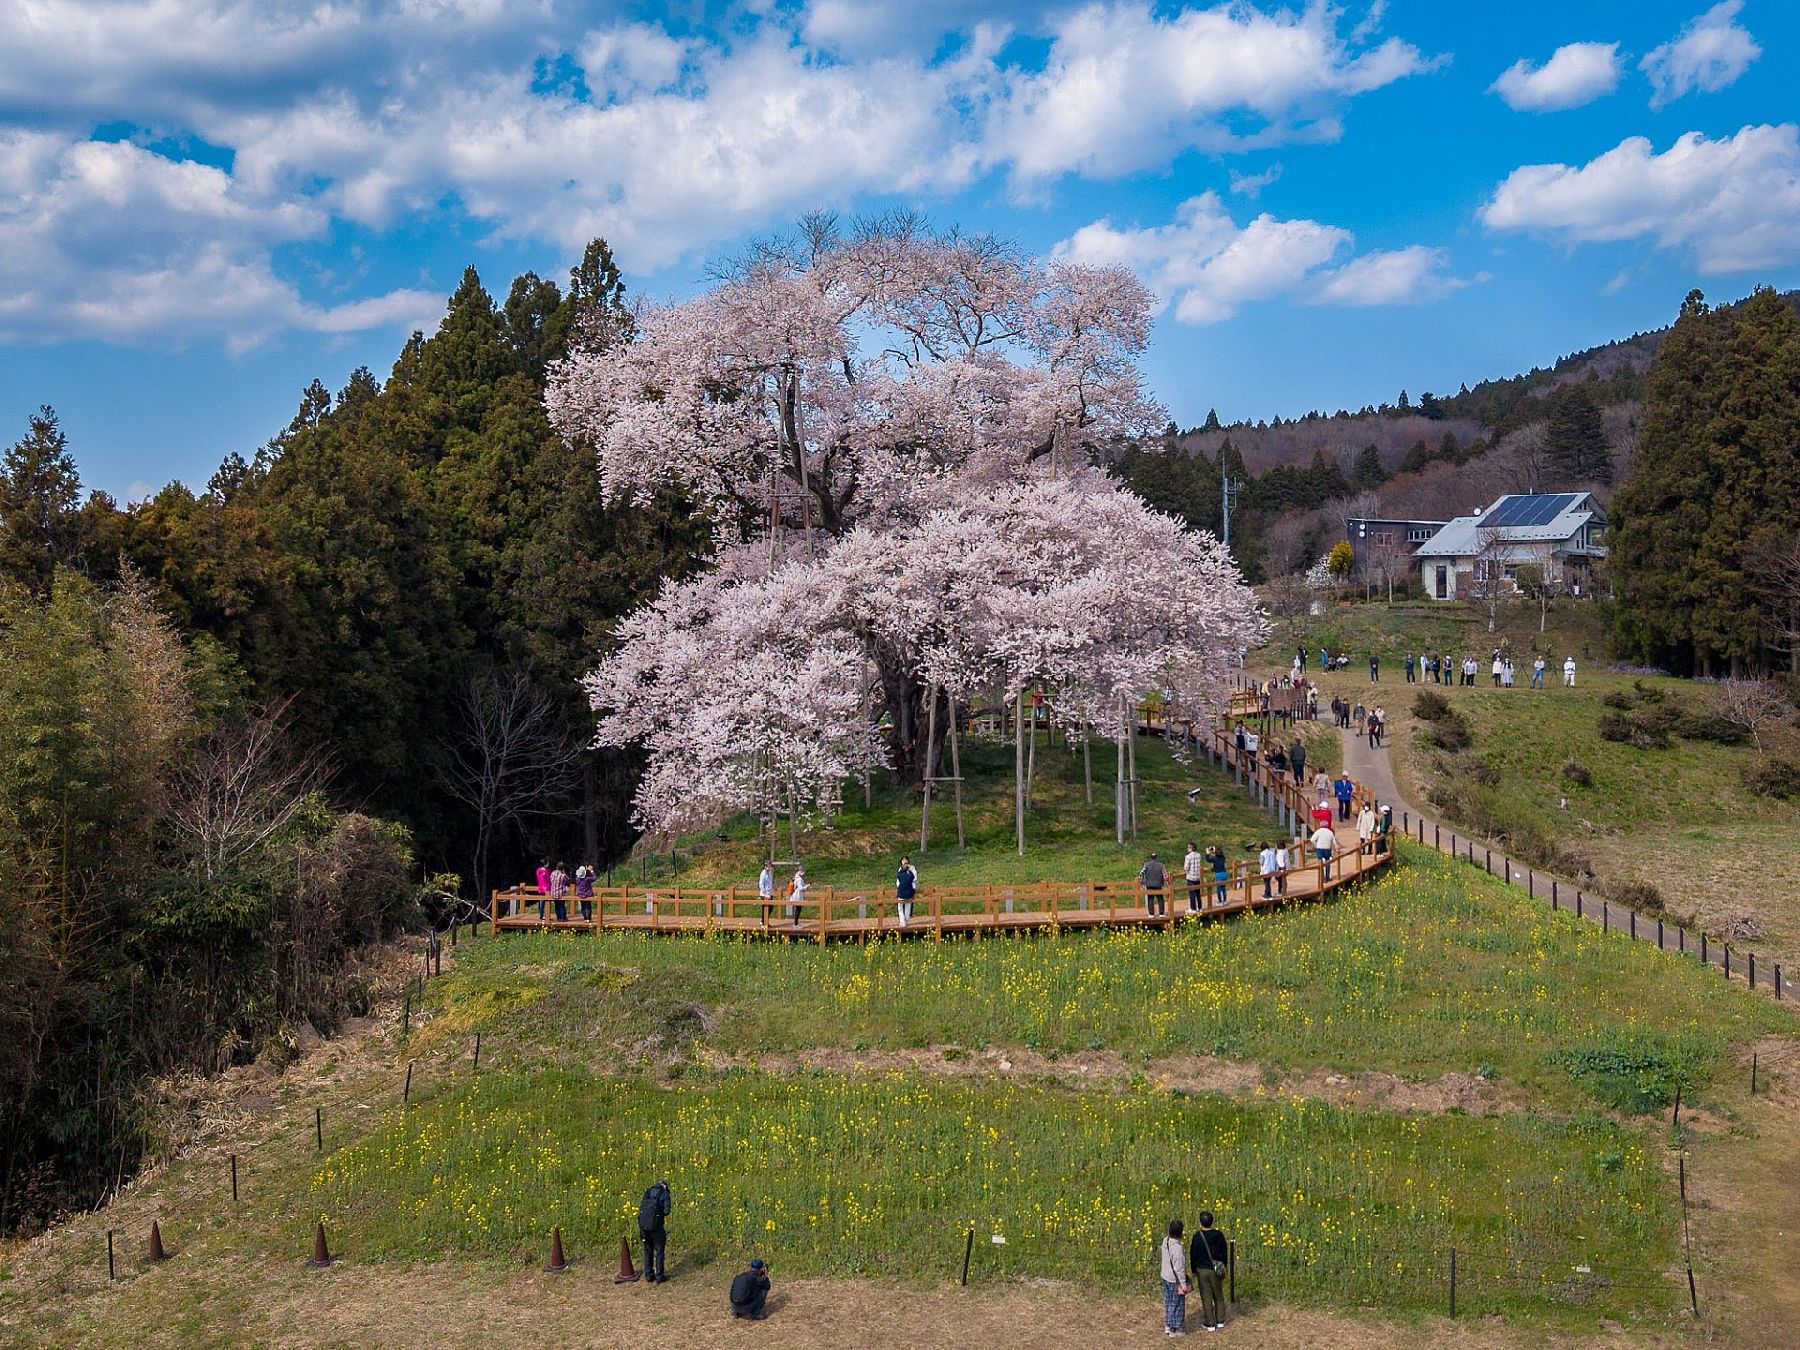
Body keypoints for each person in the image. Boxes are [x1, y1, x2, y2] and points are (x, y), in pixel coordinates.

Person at [1190, 1212, 1229, 1332]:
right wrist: (1224, 1266)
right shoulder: (1219, 1235)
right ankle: (1221, 1320)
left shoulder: (1197, 1236)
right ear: (1212, 1221)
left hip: (1202, 1270)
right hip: (1216, 1269)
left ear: (1200, 1222)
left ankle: (1210, 1323)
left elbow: (1193, 1255)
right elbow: (1224, 1252)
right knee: (1218, 1294)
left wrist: (1193, 1269)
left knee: (1206, 1296)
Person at [1161, 1218, 1191, 1336]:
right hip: (1175, 1280)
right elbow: (1180, 1268)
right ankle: (1176, 1328)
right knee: (1177, 1304)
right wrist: (1183, 1284)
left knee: (1169, 1302)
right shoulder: (1177, 1248)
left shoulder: (1166, 1241)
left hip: (1166, 1276)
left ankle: (1168, 1325)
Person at [638, 1178, 672, 1284]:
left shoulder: (647, 1192)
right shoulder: (664, 1193)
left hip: (644, 1227)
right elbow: (667, 1211)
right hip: (657, 1228)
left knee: (648, 1250)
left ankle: (649, 1275)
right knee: (659, 1251)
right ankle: (660, 1276)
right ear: (665, 1186)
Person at [1140, 852, 1168, 917]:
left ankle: (1151, 914)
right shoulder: (1161, 865)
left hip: (1149, 884)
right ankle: (1161, 913)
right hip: (1158, 884)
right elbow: (1165, 875)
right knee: (1160, 898)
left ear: (1151, 857)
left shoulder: (1146, 865)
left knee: (1150, 899)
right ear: (1156, 857)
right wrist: (1167, 882)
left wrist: (1142, 882)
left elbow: (1141, 874)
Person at [1183, 842, 1205, 914]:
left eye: (1188, 847)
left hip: (1190, 877)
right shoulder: (1199, 855)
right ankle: (1199, 907)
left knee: (1192, 893)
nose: (1187, 849)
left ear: (1191, 848)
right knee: (1198, 893)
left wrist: (1186, 871)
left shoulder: (1188, 857)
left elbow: (1186, 867)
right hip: (1197, 877)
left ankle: (1193, 908)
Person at [895, 856, 918, 926]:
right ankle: (903, 921)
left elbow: (914, 879)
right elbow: (898, 881)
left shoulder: (911, 869)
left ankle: (904, 921)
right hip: (907, 891)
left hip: (907, 890)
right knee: (903, 906)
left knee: (904, 907)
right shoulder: (908, 872)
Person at [759, 861, 775, 926]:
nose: (770, 868)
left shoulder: (770, 873)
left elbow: (770, 883)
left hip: (769, 893)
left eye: (770, 866)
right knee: (765, 908)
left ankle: (765, 921)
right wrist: (765, 894)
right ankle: (763, 922)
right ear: (765, 866)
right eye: (768, 866)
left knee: (771, 908)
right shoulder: (763, 874)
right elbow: (761, 884)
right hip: (764, 894)